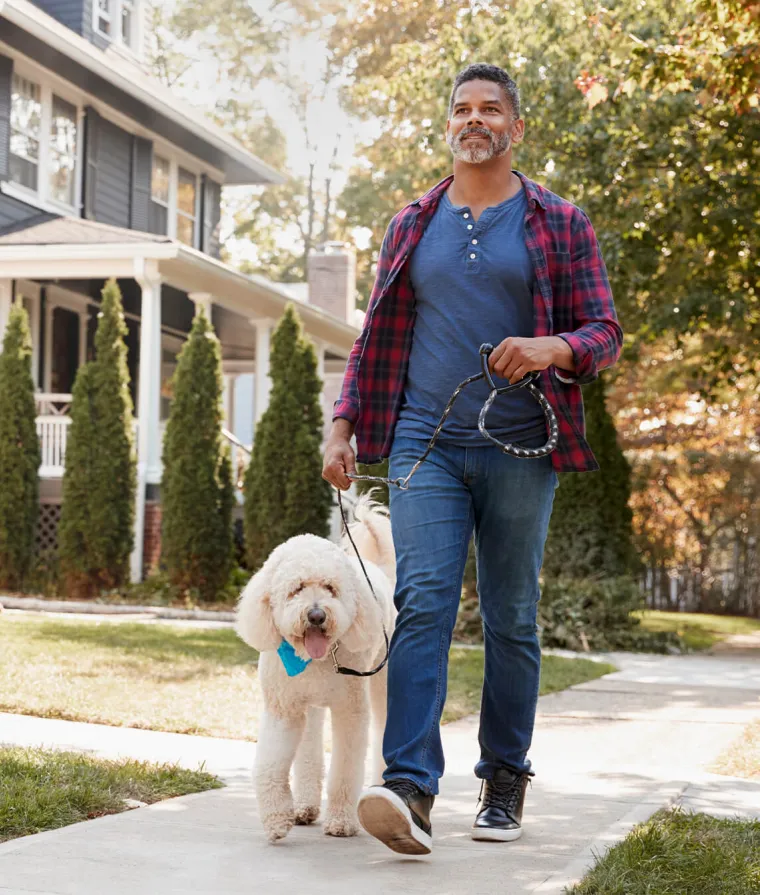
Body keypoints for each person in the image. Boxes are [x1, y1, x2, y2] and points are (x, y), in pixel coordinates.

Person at [322, 62, 623, 856]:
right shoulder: (410, 223)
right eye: (462, 108)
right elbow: (374, 335)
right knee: (422, 599)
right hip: (425, 439)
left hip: (520, 444)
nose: (474, 119)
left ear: (515, 128)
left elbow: (604, 332)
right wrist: (343, 424)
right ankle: (409, 785)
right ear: (448, 124)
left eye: (491, 109)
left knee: (511, 613)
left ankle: (504, 776)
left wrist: (552, 346)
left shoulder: (560, 222)